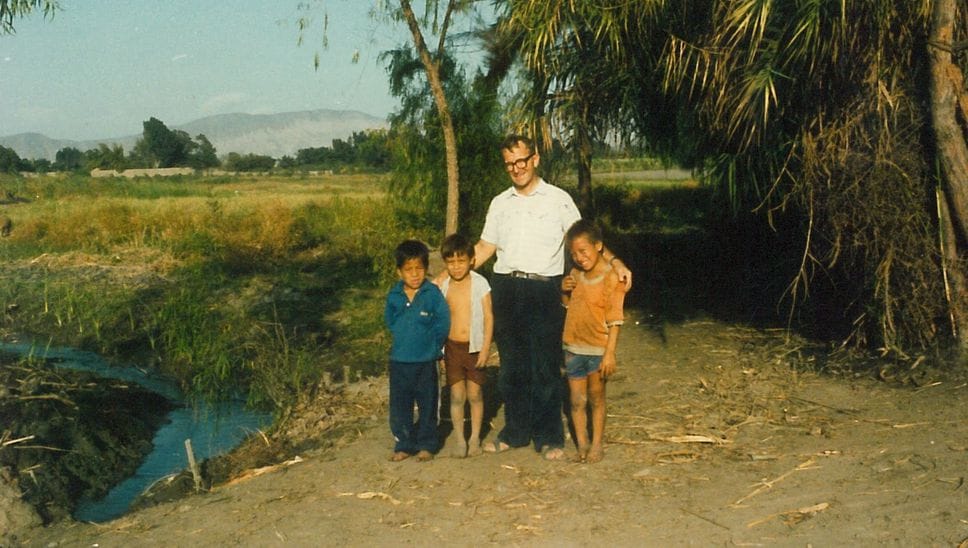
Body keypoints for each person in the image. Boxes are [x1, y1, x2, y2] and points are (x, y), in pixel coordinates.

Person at [472, 134, 631, 461]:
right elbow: (485, 247)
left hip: (545, 289)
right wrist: (449, 273)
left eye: (521, 161)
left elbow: (581, 239)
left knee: (545, 365)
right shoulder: (500, 203)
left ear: (535, 159)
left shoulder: (558, 199)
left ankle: (548, 437)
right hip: (506, 287)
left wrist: (614, 261)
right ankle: (515, 432)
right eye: (509, 164)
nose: (516, 169)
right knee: (513, 367)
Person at [560, 219, 627, 463]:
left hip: (598, 350)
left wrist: (609, 353)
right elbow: (569, 307)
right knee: (577, 400)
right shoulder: (575, 275)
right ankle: (582, 442)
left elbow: (615, 320)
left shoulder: (612, 278)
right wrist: (564, 290)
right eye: (573, 253)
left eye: (583, 251)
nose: (578, 257)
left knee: (596, 397)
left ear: (598, 246)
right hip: (573, 348)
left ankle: (597, 443)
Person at [384, 239, 451, 462]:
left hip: (426, 361)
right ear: (399, 272)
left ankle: (426, 444)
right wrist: (405, 338)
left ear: (426, 269)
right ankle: (404, 444)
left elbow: (442, 322)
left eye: (419, 269)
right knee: (400, 406)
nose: (414, 274)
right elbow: (391, 322)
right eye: (408, 270)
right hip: (400, 361)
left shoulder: (432, 294)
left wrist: (433, 347)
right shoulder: (394, 296)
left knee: (428, 403)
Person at [438, 233, 494, 458]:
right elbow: (439, 319)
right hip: (452, 348)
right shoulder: (444, 286)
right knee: (457, 396)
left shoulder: (480, 283)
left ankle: (474, 439)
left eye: (461, 261)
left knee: (475, 394)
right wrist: (440, 352)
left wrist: (485, 348)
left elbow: (489, 317)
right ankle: (460, 439)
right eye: (451, 262)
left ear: (472, 260)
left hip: (474, 348)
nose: (456, 267)